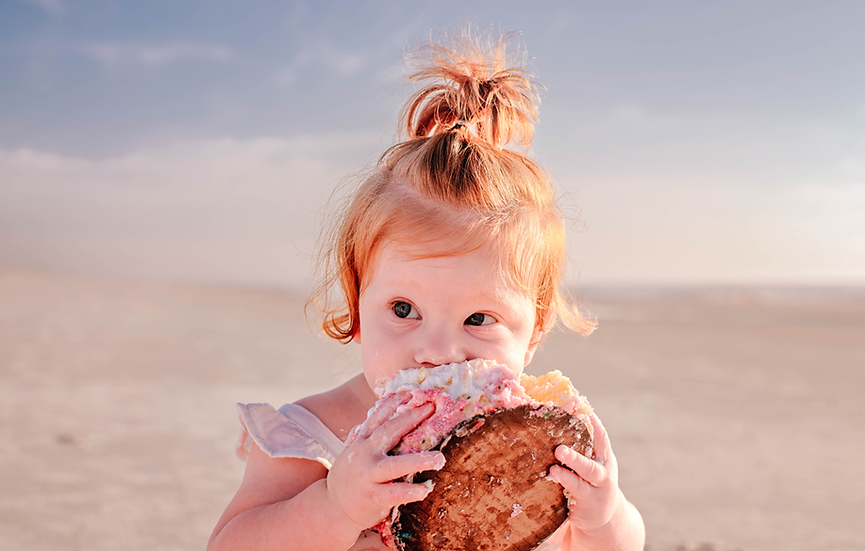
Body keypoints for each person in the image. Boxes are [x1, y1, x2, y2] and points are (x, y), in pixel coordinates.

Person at [207, 30, 645, 551]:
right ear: (357, 305)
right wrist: (335, 507)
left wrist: (603, 518)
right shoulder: (313, 439)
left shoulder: (536, 447)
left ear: (533, 334)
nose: (436, 351)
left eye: (479, 319)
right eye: (403, 309)